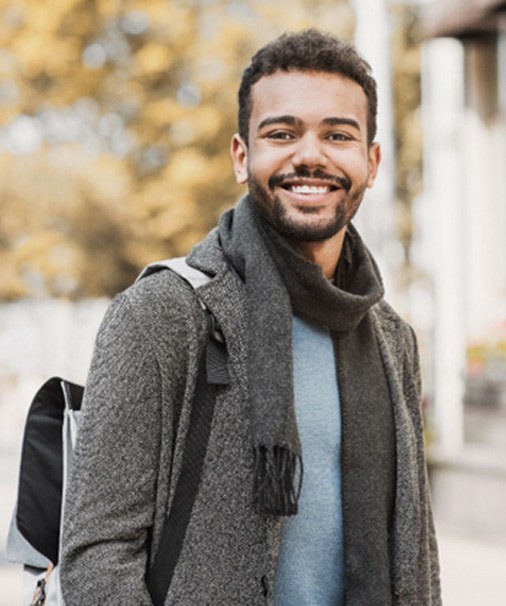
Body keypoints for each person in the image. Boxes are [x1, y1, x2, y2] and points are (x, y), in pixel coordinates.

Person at [60, 29, 441, 605]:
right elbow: (97, 554)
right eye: (282, 133)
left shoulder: (391, 339)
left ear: (371, 160)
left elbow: (417, 550)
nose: (309, 155)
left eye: (337, 135)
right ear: (243, 156)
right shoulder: (163, 315)